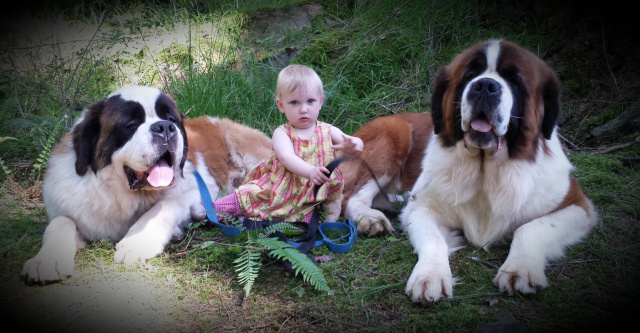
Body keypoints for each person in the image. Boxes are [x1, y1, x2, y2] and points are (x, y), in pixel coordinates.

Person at [213, 64, 364, 224]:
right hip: (282, 187)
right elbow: (287, 157)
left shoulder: (327, 130)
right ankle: (214, 210)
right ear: (281, 105)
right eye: (294, 103)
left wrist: (355, 144)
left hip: (315, 192)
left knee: (322, 211)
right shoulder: (282, 133)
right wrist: (311, 171)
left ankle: (300, 219)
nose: (304, 109)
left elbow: (348, 139)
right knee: (249, 195)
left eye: (310, 101)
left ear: (320, 102)